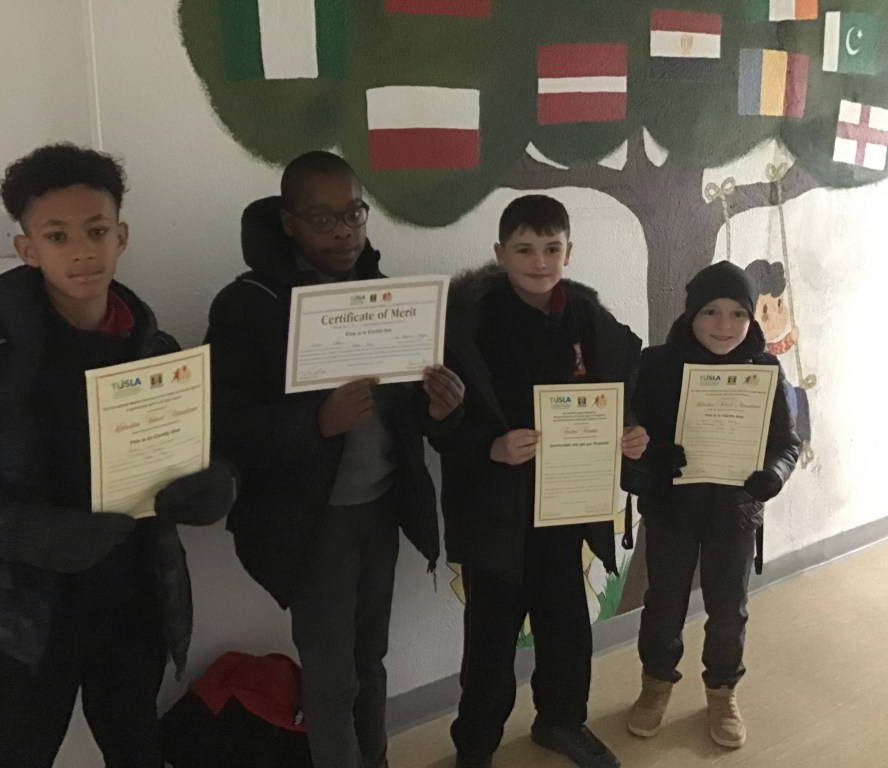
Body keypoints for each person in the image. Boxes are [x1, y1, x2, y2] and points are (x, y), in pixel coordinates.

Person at [0, 143, 236, 768]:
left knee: (137, 749)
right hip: (20, 617)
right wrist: (20, 529)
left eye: (96, 230)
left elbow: (198, 450)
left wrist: (215, 483)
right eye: (57, 236)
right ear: (27, 249)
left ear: (121, 236)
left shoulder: (156, 350)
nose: (81, 251)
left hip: (134, 603)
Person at [206, 150, 464, 768]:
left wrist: (438, 409)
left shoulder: (383, 294)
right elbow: (224, 426)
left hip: (379, 508)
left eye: (354, 213)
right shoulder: (248, 304)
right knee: (330, 679)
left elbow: (405, 413)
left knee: (370, 662)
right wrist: (315, 423)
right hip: (311, 520)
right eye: (322, 219)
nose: (344, 231)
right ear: (288, 222)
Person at [429, 194, 647, 768]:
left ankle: (561, 723)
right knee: (489, 646)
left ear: (568, 252)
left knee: (568, 629)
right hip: (494, 512)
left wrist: (628, 431)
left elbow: (620, 389)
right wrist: (490, 448)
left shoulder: (587, 318)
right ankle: (475, 746)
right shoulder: (466, 325)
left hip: (564, 508)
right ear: (500, 253)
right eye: (524, 249)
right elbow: (437, 422)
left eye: (552, 248)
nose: (540, 261)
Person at [625, 261, 800, 748]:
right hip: (671, 512)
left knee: (729, 610)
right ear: (690, 313)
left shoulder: (765, 370)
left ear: (751, 317)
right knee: (663, 607)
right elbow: (631, 436)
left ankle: (722, 692)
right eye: (710, 312)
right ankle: (655, 686)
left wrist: (773, 475)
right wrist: (654, 456)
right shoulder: (655, 366)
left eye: (738, 314)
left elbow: (787, 443)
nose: (724, 326)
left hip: (735, 516)